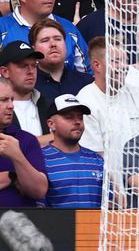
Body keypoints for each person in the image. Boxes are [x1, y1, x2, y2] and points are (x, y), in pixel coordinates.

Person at [41, 92, 104, 208]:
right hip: (55, 226)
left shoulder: (97, 160)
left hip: (93, 225)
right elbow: (38, 208)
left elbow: (108, 205)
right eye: (69, 117)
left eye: (80, 117)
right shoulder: (40, 159)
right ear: (51, 124)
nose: (77, 121)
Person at [0, 74, 46, 207]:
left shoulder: (25, 140)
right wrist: (12, 176)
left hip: (19, 223)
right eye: (3, 100)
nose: (11, 106)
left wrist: (17, 156)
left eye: (12, 100)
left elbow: (39, 191)